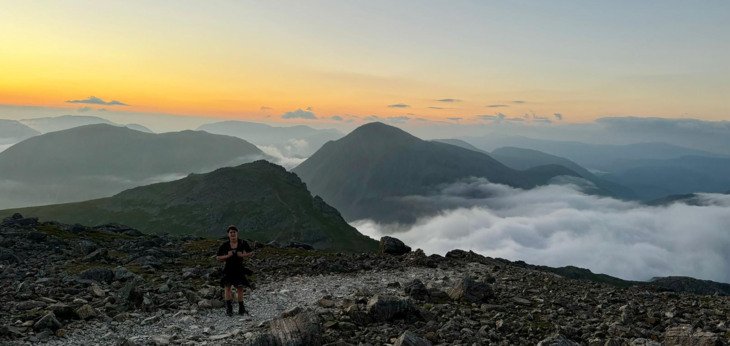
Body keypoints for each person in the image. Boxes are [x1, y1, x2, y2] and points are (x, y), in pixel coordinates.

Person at [216, 225, 253, 316]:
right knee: (227, 288)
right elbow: (218, 257)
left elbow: (251, 253)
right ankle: (229, 309)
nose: (232, 234)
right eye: (231, 232)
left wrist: (242, 255)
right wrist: (227, 256)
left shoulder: (243, 243)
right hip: (228, 269)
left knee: (240, 288)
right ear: (228, 234)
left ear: (237, 233)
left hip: (239, 269)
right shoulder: (225, 245)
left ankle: (241, 308)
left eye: (234, 232)